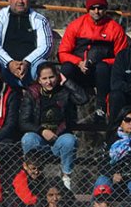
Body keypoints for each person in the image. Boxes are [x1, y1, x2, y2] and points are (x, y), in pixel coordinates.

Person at [58, 0, 128, 122]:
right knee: (66, 69)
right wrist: (78, 63)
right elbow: (63, 52)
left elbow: (121, 58)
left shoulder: (115, 28)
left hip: (101, 73)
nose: (96, 11)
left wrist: (103, 62)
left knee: (102, 68)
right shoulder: (76, 25)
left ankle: (100, 109)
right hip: (79, 69)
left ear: (105, 9)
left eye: (100, 8)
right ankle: (68, 109)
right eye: (93, 8)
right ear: (88, 9)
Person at [19, 61, 86, 190]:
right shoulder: (32, 93)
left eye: (51, 77)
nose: (48, 82)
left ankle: (66, 177)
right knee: (28, 138)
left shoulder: (64, 91)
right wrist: (42, 131)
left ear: (57, 76)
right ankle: (33, 175)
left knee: (69, 140)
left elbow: (83, 99)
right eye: (44, 78)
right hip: (40, 139)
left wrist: (66, 82)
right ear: (39, 80)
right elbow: (23, 121)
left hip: (59, 138)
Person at [0, 0, 52, 88]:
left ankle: (40, 96)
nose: (20, 1)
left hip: (31, 68)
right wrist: (9, 63)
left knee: (44, 68)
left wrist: (27, 62)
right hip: (5, 68)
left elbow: (46, 46)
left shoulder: (39, 20)